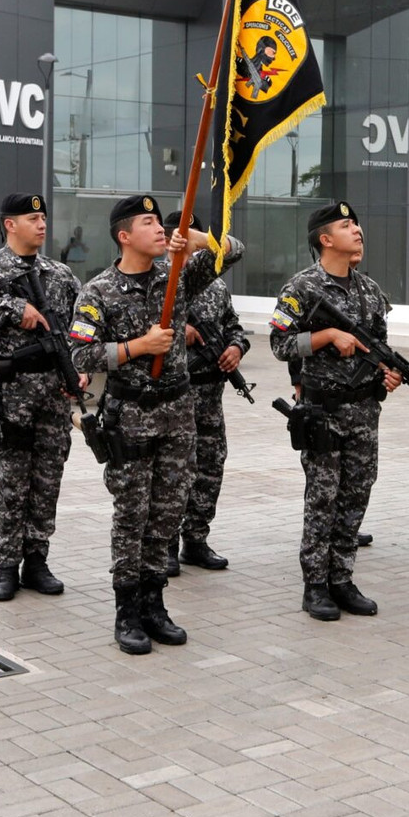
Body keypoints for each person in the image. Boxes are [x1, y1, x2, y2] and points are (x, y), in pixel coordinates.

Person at [68, 195, 242, 654]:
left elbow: (235, 250)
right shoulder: (98, 290)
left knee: (167, 510)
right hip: (131, 416)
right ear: (124, 236)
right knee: (132, 515)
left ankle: (155, 605)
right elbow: (82, 355)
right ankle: (127, 611)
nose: (159, 228)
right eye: (149, 222)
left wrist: (199, 240)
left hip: (178, 412)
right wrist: (137, 347)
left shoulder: (177, 276)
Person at [268, 201, 399, 618]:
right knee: (322, 500)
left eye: (357, 224)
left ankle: (342, 578)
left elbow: (379, 347)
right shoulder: (301, 288)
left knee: (356, 496)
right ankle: (315, 586)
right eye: (346, 225)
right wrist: (325, 335)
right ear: (325, 239)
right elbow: (278, 344)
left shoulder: (370, 289)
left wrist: (387, 374)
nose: (357, 230)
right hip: (323, 413)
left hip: (363, 412)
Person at [0, 192, 83, 602]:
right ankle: (7, 565)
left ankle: (37, 560)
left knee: (48, 478)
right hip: (11, 394)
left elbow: (79, 330)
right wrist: (13, 307)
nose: (42, 224)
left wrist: (78, 369)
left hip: (54, 394)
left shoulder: (61, 274)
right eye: (32, 218)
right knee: (12, 480)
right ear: (10, 224)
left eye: (44, 217)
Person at [169, 210, 246, 574]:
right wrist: (174, 328)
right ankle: (165, 544)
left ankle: (195, 539)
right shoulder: (158, 280)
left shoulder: (214, 286)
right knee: (173, 471)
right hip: (173, 395)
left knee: (210, 466)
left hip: (210, 396)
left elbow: (235, 326)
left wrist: (237, 348)